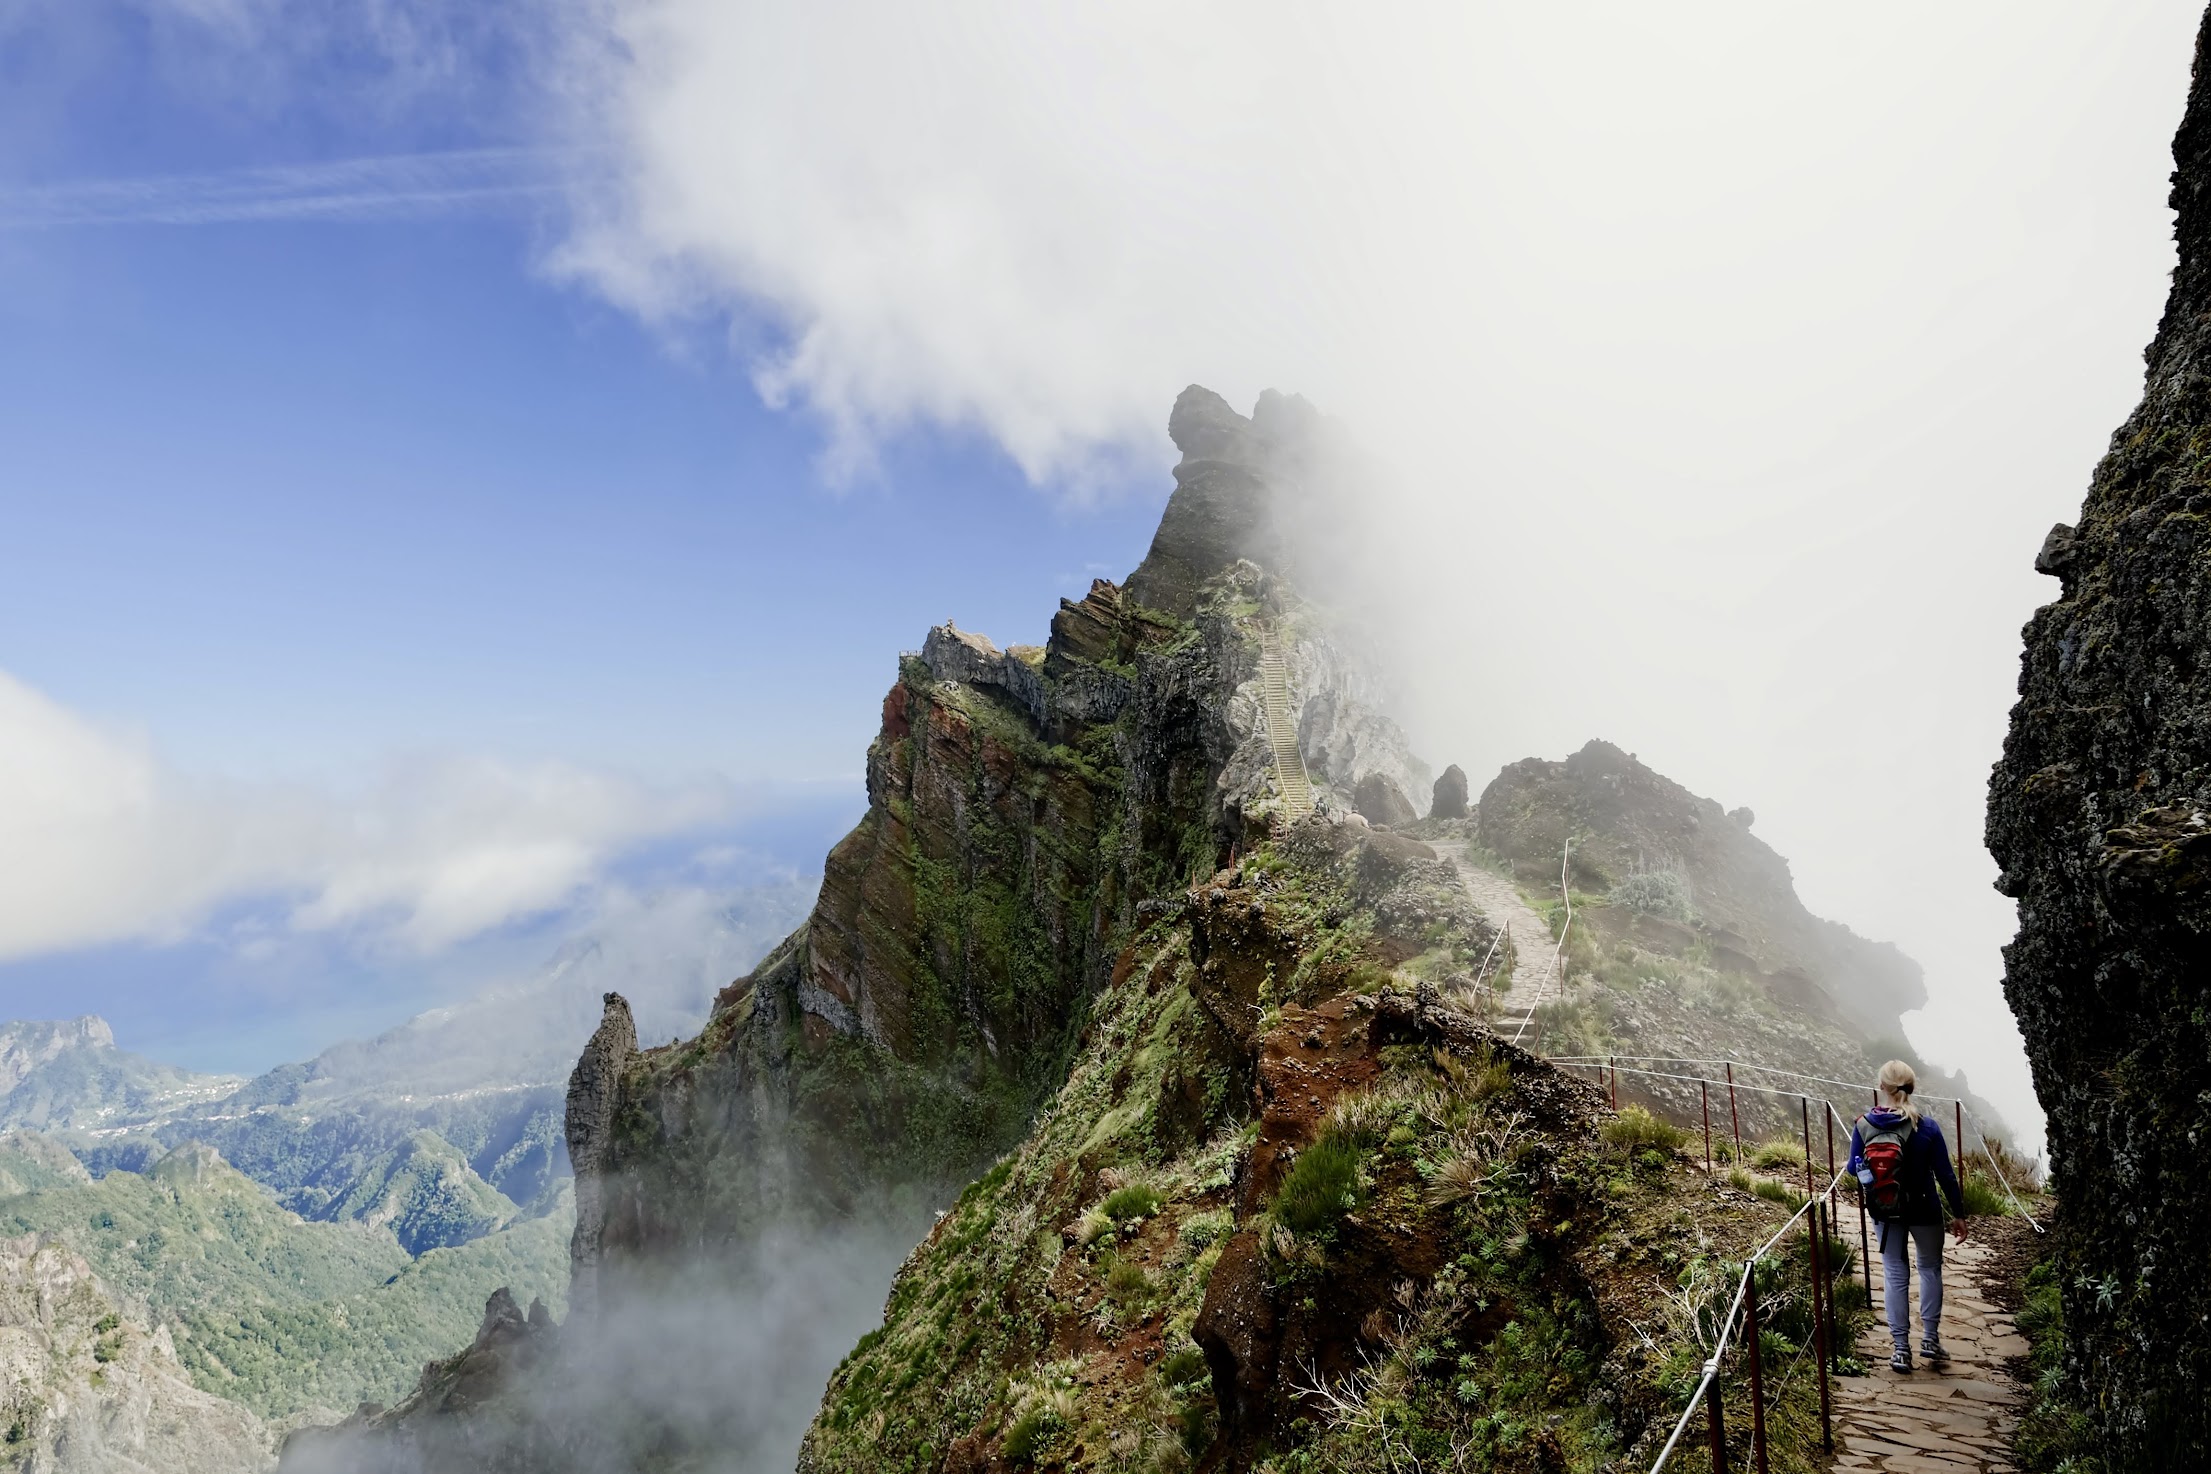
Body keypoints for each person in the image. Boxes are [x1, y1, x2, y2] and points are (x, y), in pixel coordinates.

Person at [1847, 1059, 1967, 1373]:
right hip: (1925, 1207)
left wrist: (1873, 1182)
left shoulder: (1864, 1124)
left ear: (1882, 1087)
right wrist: (1959, 1214)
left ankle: (1901, 1350)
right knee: (1929, 1269)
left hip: (1886, 1209)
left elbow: (1851, 1169)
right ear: (1910, 1087)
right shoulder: (1927, 1127)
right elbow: (1945, 1174)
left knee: (1895, 1274)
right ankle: (1930, 1339)